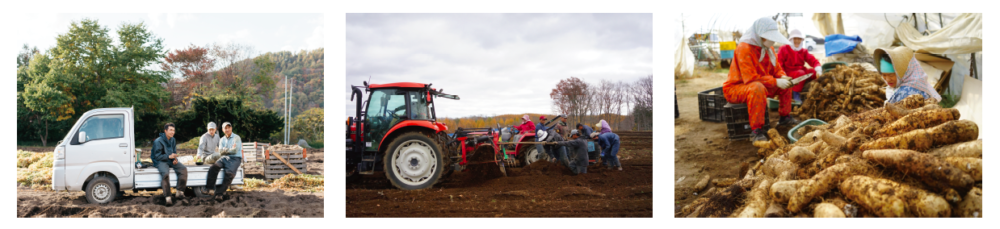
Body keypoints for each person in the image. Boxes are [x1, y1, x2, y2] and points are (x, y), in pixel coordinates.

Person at [724, 17, 800, 142]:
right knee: (757, 88)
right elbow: (750, 78)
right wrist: (775, 81)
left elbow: (777, 69)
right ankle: (756, 131)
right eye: (771, 37)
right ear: (760, 35)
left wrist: (782, 77)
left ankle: (784, 117)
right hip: (737, 88)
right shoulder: (744, 48)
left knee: (787, 84)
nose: (773, 41)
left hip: (761, 84)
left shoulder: (767, 49)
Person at [874, 46, 942, 104]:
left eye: (891, 75)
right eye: (884, 75)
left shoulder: (905, 94)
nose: (887, 79)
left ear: (904, 72)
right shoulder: (917, 83)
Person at [777, 29, 822, 103]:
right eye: (795, 38)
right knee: (800, 73)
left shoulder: (803, 51)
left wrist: (818, 70)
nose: (797, 41)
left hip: (801, 71)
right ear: (791, 39)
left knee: (813, 72)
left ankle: (817, 89)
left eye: (799, 39)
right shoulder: (783, 49)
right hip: (788, 73)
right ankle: (796, 95)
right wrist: (782, 76)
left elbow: (812, 60)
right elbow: (779, 64)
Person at [151, 123, 188, 206]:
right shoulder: (158, 141)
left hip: (170, 159)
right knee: (166, 174)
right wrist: (169, 156)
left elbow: (174, 152)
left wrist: (175, 159)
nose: (172, 132)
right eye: (171, 130)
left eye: (174, 130)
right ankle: (168, 197)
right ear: (165, 131)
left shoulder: (173, 140)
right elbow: (157, 156)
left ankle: (180, 192)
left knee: (183, 169)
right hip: (160, 161)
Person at [206, 122, 242, 202]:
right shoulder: (222, 139)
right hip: (225, 158)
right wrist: (229, 150)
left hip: (235, 158)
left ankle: (219, 194)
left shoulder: (236, 138)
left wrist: (225, 150)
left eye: (229, 127)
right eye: (225, 128)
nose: (227, 129)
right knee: (213, 167)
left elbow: (235, 151)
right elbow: (221, 152)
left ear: (231, 128)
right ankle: (210, 189)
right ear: (223, 130)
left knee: (229, 175)